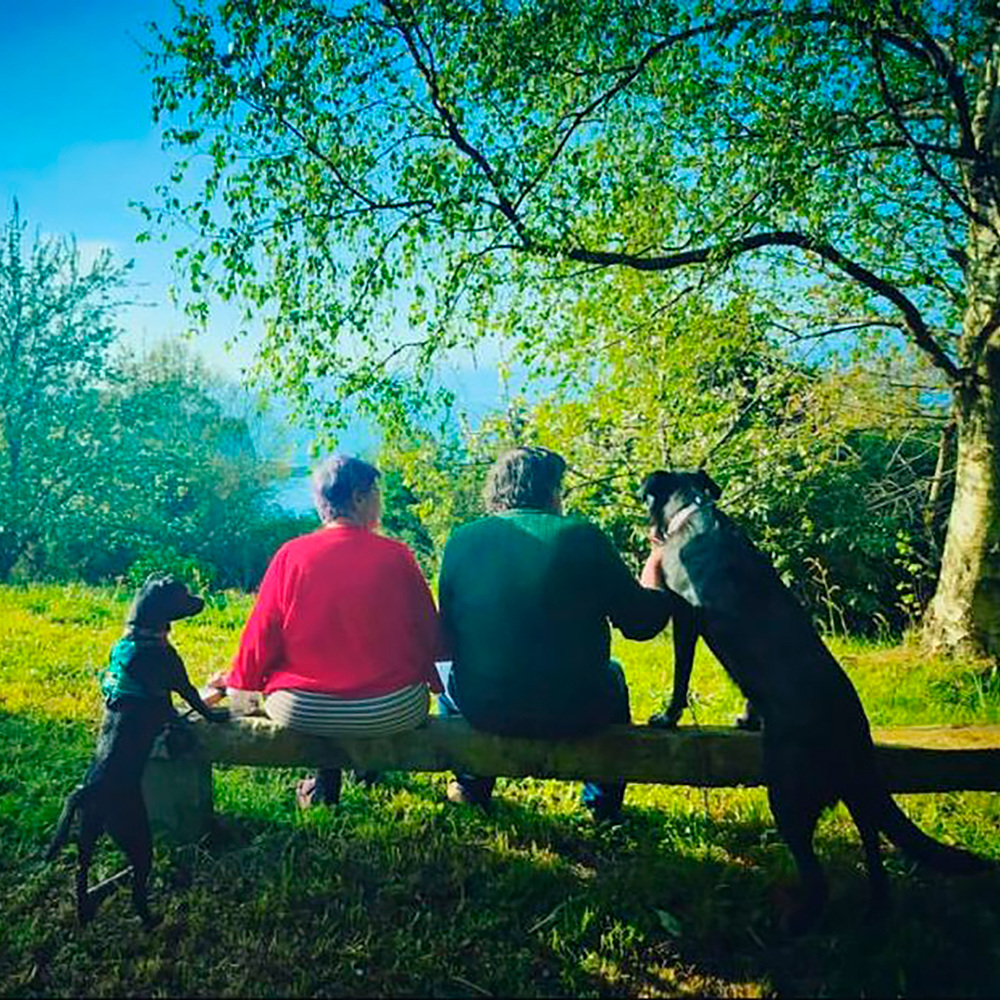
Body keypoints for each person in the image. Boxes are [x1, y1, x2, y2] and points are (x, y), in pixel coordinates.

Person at [437, 446, 676, 821]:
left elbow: (447, 637)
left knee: (447, 679)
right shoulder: (583, 536)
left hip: (485, 706)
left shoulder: (462, 540)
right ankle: (601, 803)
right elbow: (642, 624)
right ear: (551, 491)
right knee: (614, 674)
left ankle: (471, 784)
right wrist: (656, 566)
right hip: (577, 707)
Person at [208, 455, 442, 807]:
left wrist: (237, 683)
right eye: (376, 493)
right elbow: (430, 636)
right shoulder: (396, 556)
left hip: (305, 709)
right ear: (359, 498)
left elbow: (260, 638)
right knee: (371, 700)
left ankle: (324, 787)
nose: (380, 500)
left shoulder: (291, 555)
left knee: (312, 694)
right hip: (393, 709)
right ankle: (366, 768)